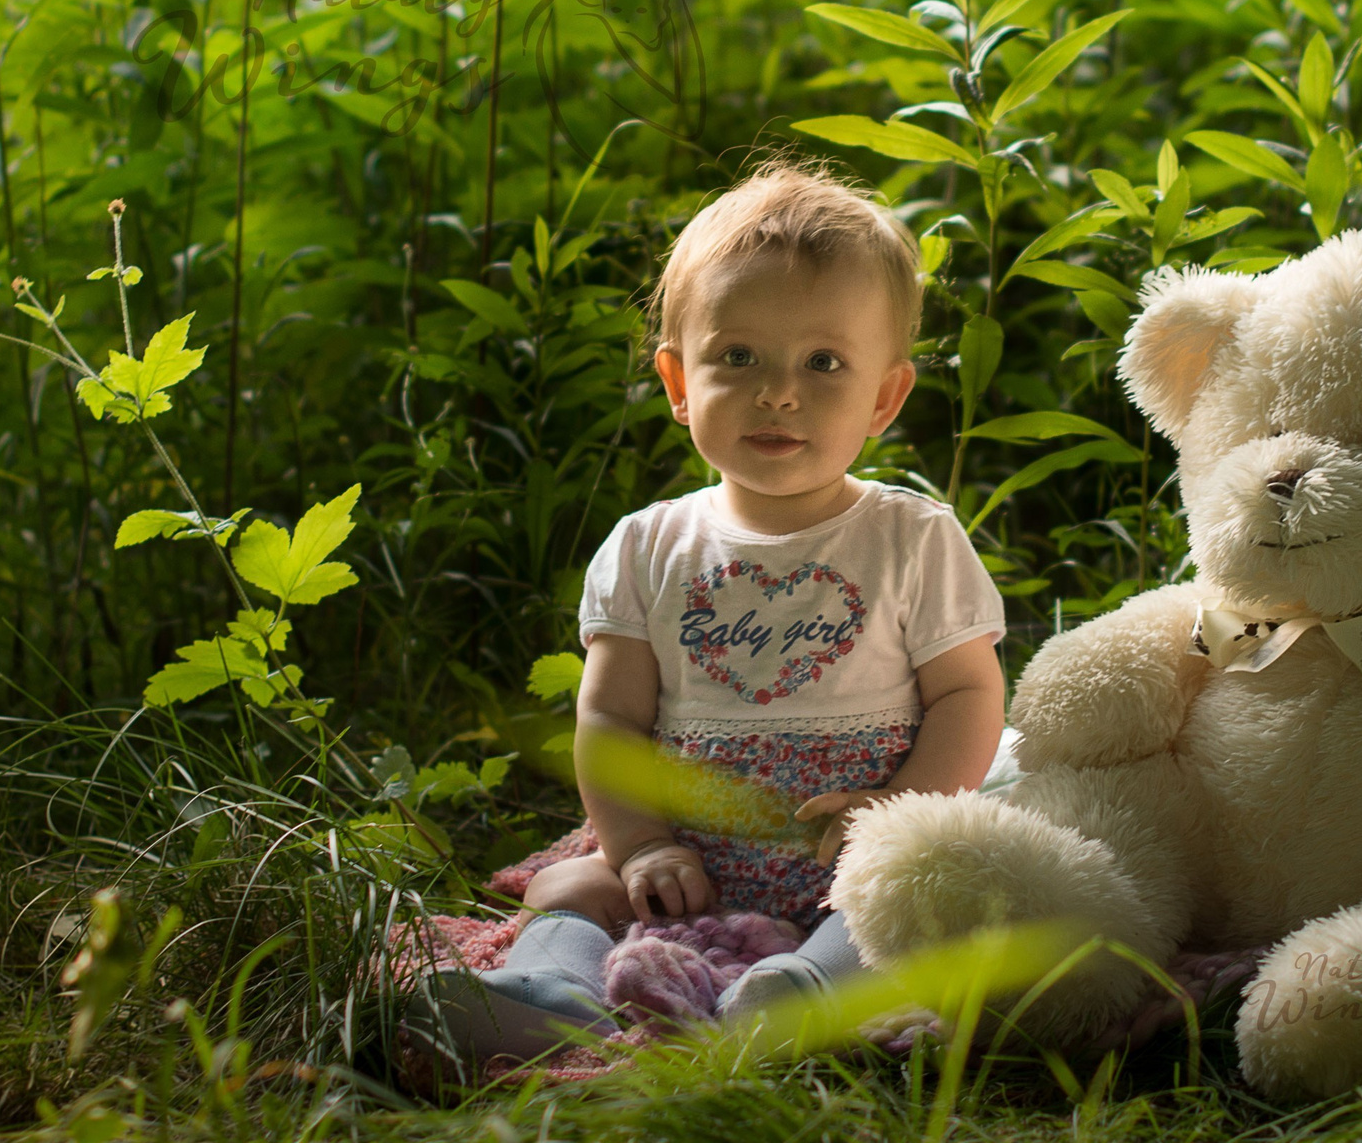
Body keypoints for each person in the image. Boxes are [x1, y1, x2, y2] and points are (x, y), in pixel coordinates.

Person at [421, 162, 1007, 1061]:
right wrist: (644, 843)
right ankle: (554, 992)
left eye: (824, 362)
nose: (779, 391)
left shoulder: (910, 537)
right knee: (571, 883)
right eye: (738, 356)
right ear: (676, 380)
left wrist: (894, 812)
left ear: (885, 396)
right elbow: (611, 715)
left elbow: (970, 694)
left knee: (910, 898)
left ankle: (803, 991)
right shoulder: (650, 546)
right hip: (690, 863)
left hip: (841, 853)